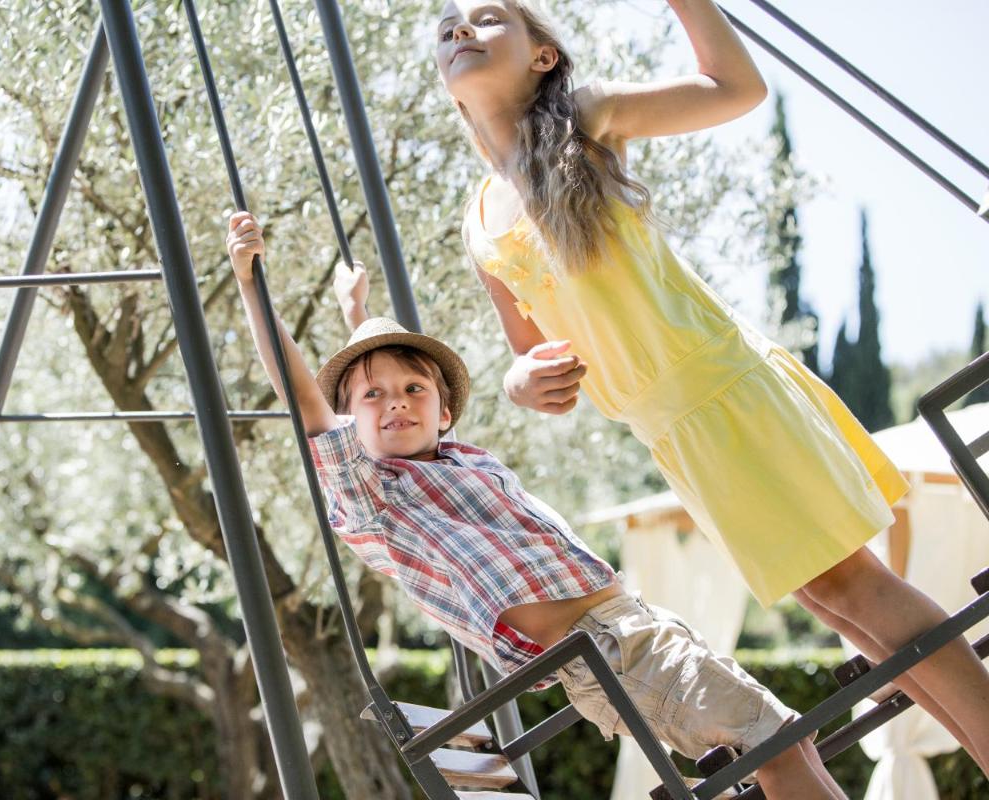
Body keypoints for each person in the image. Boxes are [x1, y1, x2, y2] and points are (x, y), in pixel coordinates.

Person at [430, 0, 989, 773]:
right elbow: (524, 350)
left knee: (855, 587)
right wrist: (526, 380)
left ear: (543, 58)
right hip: (673, 434)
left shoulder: (582, 120)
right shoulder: (480, 218)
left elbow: (733, 88)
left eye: (488, 17)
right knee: (836, 605)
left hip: (724, 389)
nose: (460, 29)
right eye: (449, 26)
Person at [226, 209, 846, 798]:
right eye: (372, 397)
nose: (395, 402)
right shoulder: (376, 496)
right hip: (606, 654)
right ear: (347, 421)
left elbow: (378, 384)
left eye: (415, 389)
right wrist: (252, 284)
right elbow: (307, 398)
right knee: (778, 741)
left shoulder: (459, 460)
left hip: (633, 631)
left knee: (792, 738)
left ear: (444, 413)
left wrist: (357, 314)